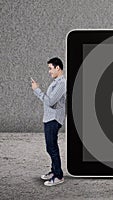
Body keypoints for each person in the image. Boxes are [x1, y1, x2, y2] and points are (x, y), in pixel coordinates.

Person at [31, 57, 66, 186]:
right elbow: (49, 100)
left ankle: (58, 176)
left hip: (54, 119)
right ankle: (54, 171)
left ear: (58, 68)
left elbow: (50, 102)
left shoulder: (61, 83)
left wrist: (37, 90)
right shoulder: (56, 82)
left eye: (50, 68)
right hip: (49, 118)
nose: (49, 71)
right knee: (50, 147)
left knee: (52, 148)